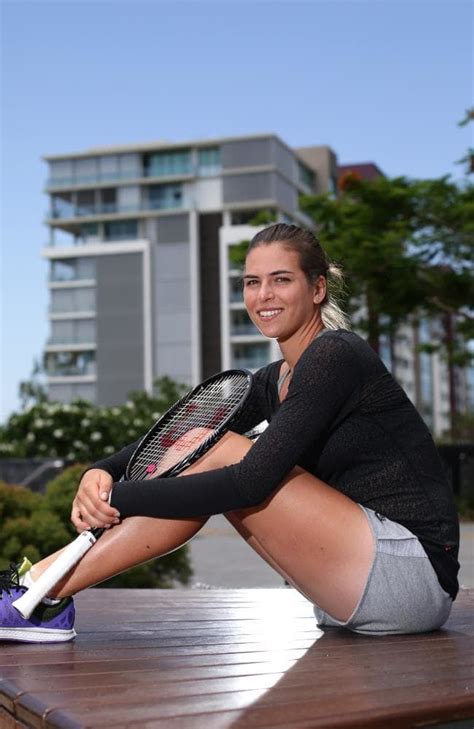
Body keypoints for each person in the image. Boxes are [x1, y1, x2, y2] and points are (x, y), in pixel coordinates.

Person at [0, 223, 459, 643]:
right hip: (350, 581)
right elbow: (178, 435)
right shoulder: (275, 378)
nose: (263, 295)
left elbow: (248, 482)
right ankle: (37, 593)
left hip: (411, 576)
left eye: (281, 279)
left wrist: (119, 498)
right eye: (251, 282)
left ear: (318, 288)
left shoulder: (336, 355)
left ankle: (36, 593)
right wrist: (102, 471)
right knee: (198, 442)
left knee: (223, 451)